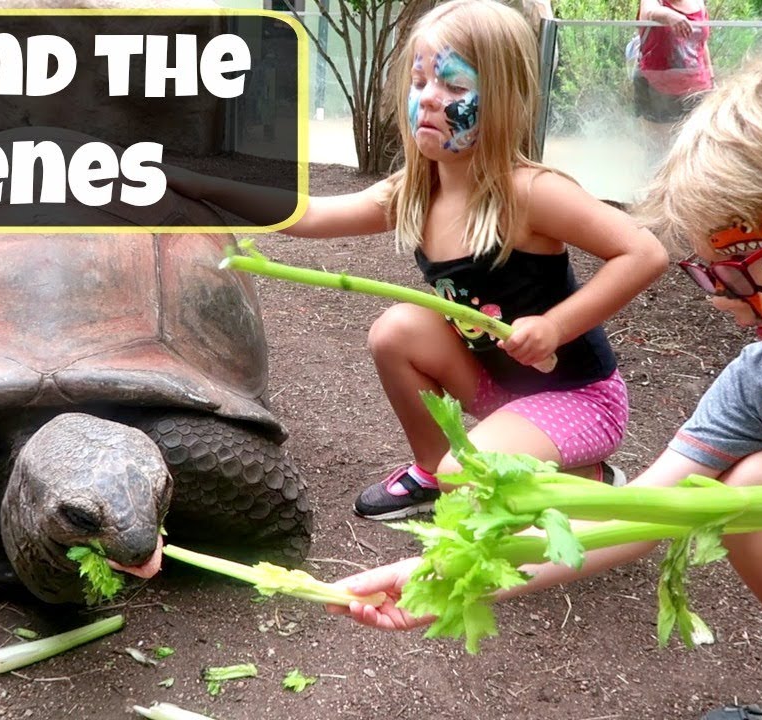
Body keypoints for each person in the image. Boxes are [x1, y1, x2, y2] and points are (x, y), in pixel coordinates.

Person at [329, 33, 762, 720]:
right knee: (755, 489)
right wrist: (441, 576)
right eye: (709, 271)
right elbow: (637, 518)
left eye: (747, 266)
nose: (721, 299)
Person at [168, 0, 669, 521]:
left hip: (578, 398)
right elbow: (308, 214)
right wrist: (199, 183)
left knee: (470, 478)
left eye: (454, 86)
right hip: (498, 385)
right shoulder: (416, 189)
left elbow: (644, 252)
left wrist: (556, 325)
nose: (430, 99)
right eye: (420, 81)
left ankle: (585, 476)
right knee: (396, 332)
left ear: (503, 100)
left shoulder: (528, 193)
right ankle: (433, 471)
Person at [633, 0, 714, 165]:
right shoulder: (654, 2)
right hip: (659, 89)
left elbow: (702, 44)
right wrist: (669, 15)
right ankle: (655, 189)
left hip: (698, 89)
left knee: (695, 152)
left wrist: (711, 79)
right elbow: (650, 12)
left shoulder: (698, 2)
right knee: (659, 154)